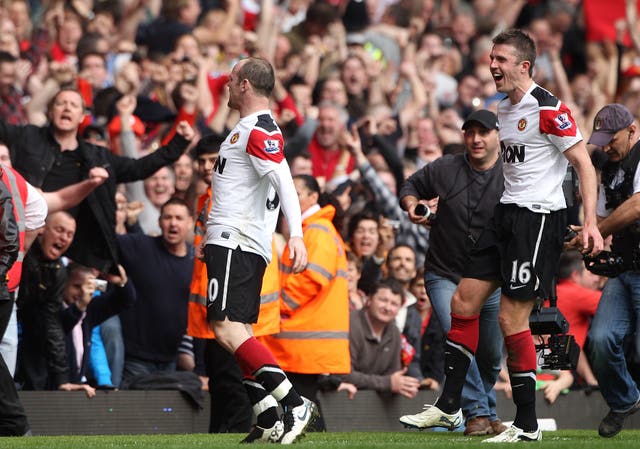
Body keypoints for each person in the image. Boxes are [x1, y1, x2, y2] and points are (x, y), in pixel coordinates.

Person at [398, 29, 603, 443]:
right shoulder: (503, 110)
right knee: (463, 301)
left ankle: (526, 425)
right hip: (504, 216)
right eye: (491, 58)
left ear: (524, 66)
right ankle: (447, 406)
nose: (492, 66)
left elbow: (583, 163)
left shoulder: (548, 108)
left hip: (537, 219)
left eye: (501, 60)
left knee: (511, 319)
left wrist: (591, 222)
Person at [203, 56, 315, 444]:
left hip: (237, 240)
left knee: (226, 327)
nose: (226, 87)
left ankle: (294, 403)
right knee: (239, 330)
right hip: (235, 241)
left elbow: (284, 179)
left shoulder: (258, 129)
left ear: (246, 84)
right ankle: (267, 413)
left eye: (231, 80)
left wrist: (296, 234)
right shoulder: (250, 129)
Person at [0, 87, 194, 275]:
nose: (67, 108)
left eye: (74, 105)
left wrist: (178, 144)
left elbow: (138, 168)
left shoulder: (97, 157)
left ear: (83, 116)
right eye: (61, 103)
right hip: (17, 236)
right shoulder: (26, 136)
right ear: (50, 112)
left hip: (69, 254)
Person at [399, 110, 506, 437]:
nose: (475, 139)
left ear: (497, 136)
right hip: (444, 272)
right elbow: (411, 184)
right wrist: (412, 205)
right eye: (470, 132)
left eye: (483, 132)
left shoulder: (513, 172)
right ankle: (477, 413)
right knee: (458, 338)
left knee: (488, 355)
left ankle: (485, 412)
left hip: (490, 278)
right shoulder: (446, 167)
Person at [263, 174, 350, 432]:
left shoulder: (318, 230)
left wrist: (280, 306)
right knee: (302, 400)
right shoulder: (314, 229)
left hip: (305, 336)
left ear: (314, 196)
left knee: (302, 402)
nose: (290, 199)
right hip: (306, 337)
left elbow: (312, 277)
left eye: (297, 193)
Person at [577, 103, 640, 438]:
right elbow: (601, 221)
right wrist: (583, 235)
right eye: (600, 139)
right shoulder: (610, 168)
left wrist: (598, 230)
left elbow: (637, 205)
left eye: (610, 138)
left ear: (632, 130)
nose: (604, 146)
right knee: (600, 340)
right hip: (626, 267)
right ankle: (624, 400)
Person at [118, 197, 194, 384]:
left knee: (165, 413)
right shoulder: (140, 246)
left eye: (179, 218)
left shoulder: (197, 265)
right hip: (136, 359)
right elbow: (105, 241)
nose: (173, 223)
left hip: (172, 360)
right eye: (167, 217)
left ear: (190, 222)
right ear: (159, 221)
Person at [337, 279, 421, 399]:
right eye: (383, 300)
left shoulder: (395, 333)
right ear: (369, 300)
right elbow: (342, 375)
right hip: (342, 402)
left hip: (372, 407)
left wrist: (405, 384)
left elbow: (393, 376)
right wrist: (387, 383)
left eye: (394, 304)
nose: (387, 307)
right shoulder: (350, 325)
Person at [0, 167, 29, 436]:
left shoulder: (3, 185)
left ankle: (14, 423)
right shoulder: (12, 180)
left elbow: (9, 240)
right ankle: (14, 422)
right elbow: (38, 211)